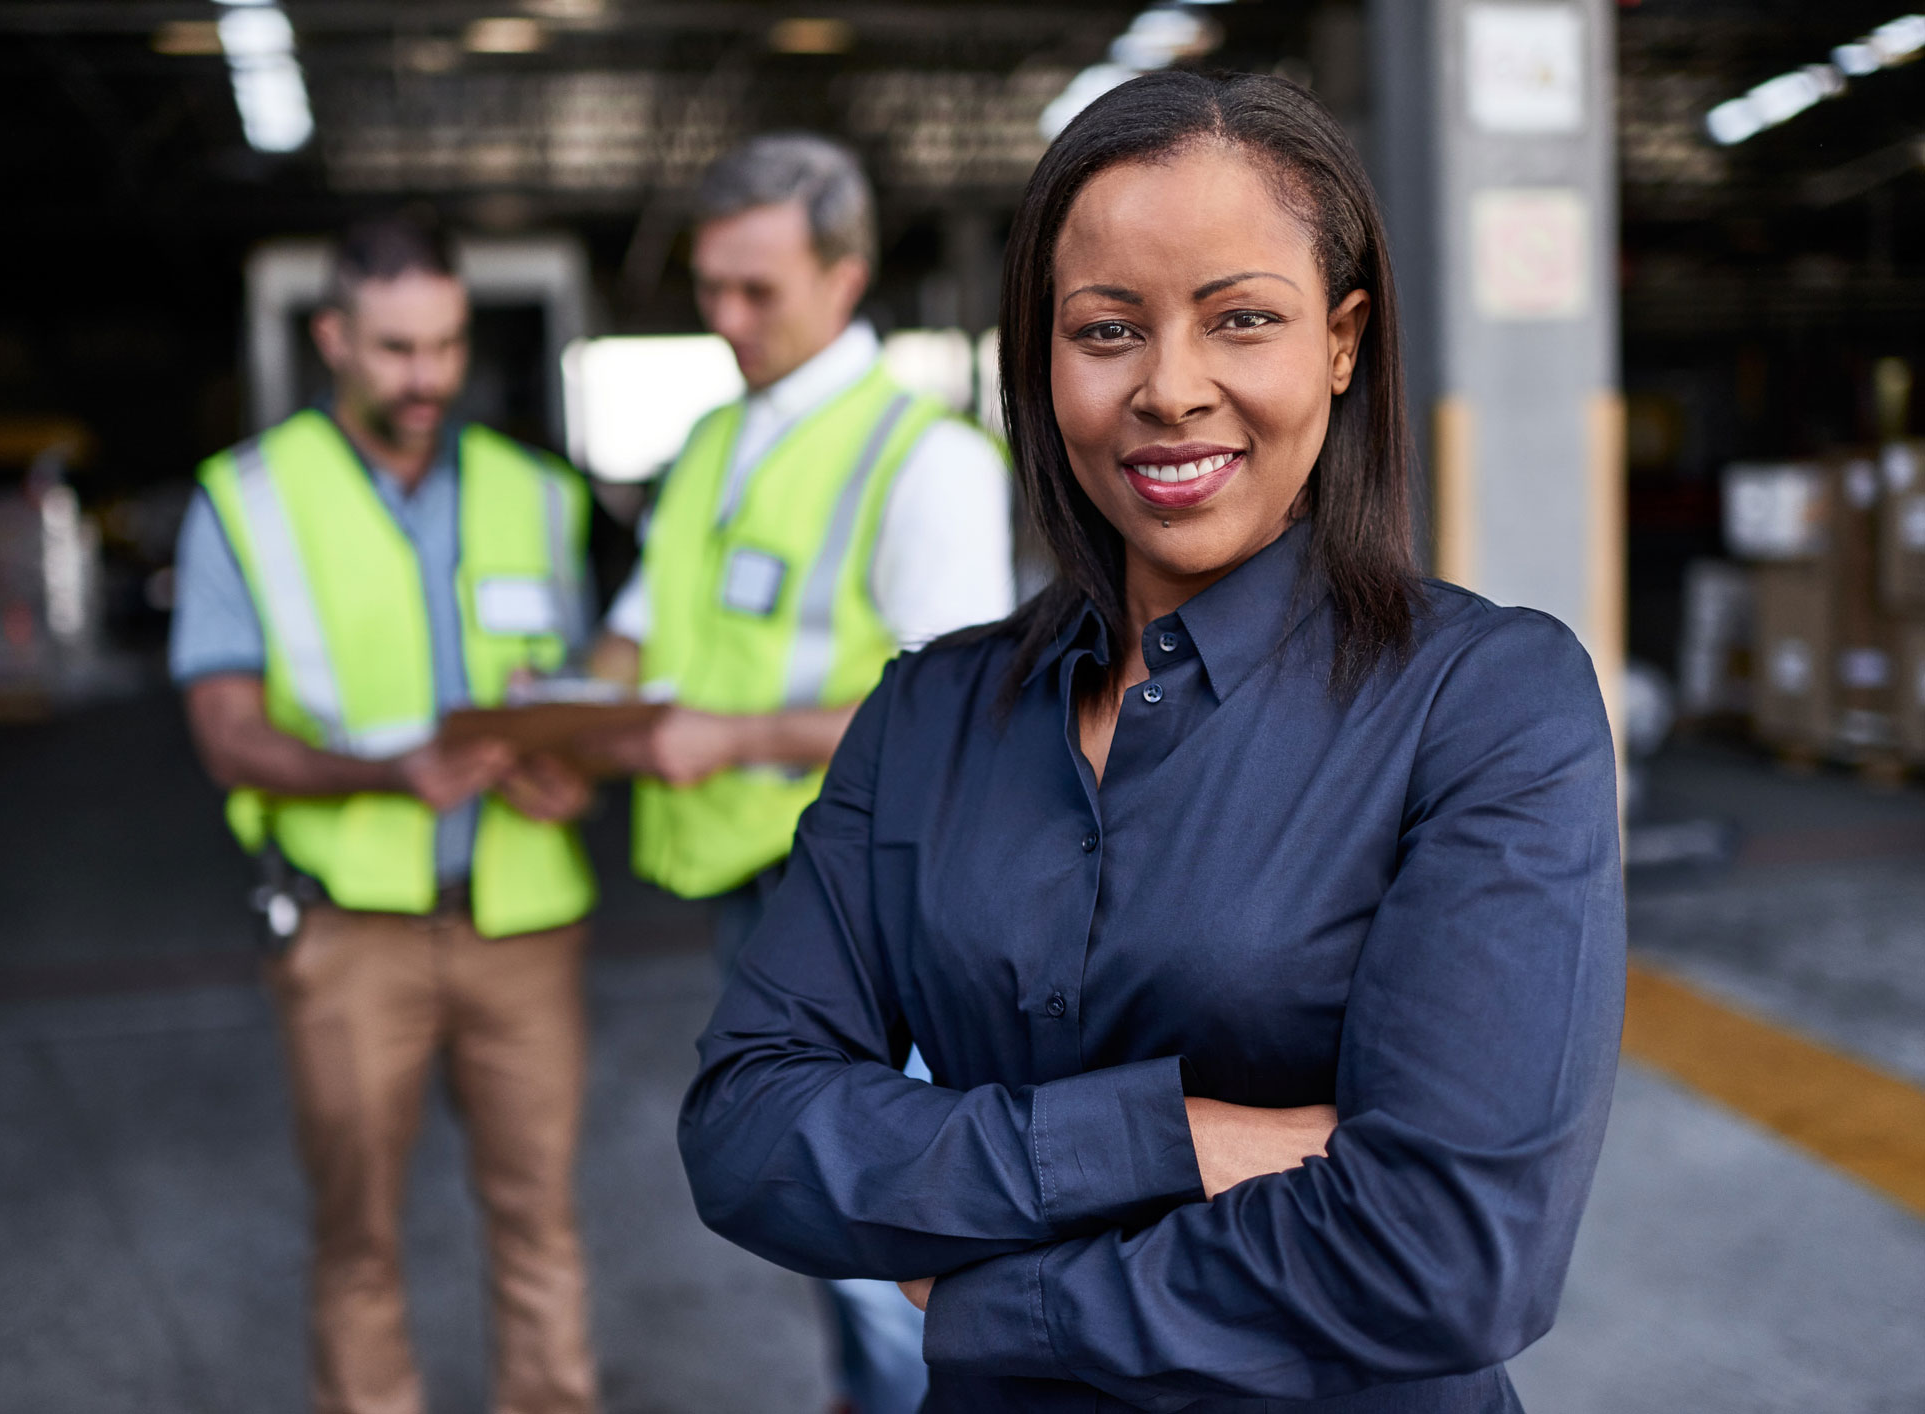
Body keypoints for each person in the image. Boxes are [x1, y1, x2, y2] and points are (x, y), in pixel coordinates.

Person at [677, 70, 1625, 1414]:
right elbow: (746, 1131)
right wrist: (1173, 1137)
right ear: (1040, 356)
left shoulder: (1482, 702)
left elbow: (1448, 1256)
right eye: (1105, 329)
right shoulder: (927, 715)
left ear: (1341, 342)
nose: (1170, 389)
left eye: (1240, 319)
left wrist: (1003, 1300)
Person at [589, 134, 1015, 1414]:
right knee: (818, 1195)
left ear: (847, 275)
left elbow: (953, 714)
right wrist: (560, 728)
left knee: (885, 1220)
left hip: (866, 909)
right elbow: (635, 624)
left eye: (756, 290)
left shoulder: (927, 462)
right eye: (709, 287)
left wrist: (729, 736)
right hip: (747, 886)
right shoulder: (713, 444)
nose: (725, 319)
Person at [171, 212, 599, 1414]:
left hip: (524, 923)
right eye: (399, 350)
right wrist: (385, 774)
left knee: (541, 1219)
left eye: (449, 347)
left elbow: (575, 696)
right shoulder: (244, 502)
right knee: (357, 1235)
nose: (429, 380)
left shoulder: (538, 495)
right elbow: (227, 734)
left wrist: (574, 766)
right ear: (333, 339)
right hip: (350, 931)